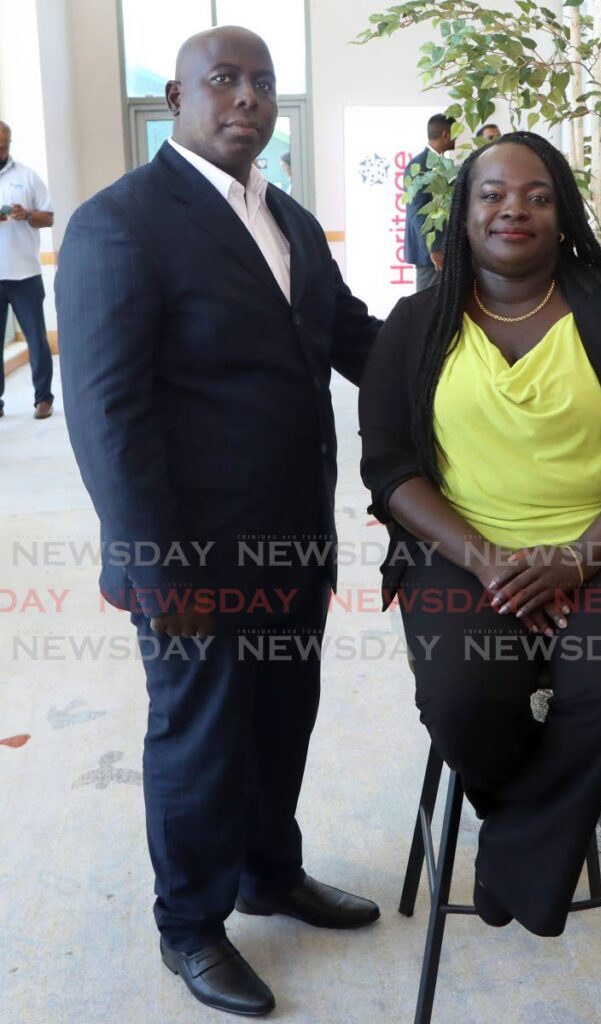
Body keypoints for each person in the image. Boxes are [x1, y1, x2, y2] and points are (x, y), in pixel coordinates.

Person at [56, 27, 382, 1019]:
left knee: (282, 719)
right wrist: (160, 573)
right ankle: (190, 924)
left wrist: (483, 345)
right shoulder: (122, 223)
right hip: (192, 561)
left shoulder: (283, 216)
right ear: (177, 96)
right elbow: (107, 414)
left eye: (261, 83)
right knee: (199, 737)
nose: (245, 98)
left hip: (292, 540)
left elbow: (353, 337)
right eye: (223, 81)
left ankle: (267, 870)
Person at [359, 131, 601, 937]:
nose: (514, 208)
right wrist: (489, 564)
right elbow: (388, 465)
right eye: (493, 194)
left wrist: (577, 563)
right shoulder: (417, 323)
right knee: (461, 696)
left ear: (562, 212)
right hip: (460, 554)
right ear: (463, 213)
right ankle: (540, 842)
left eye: (537, 195)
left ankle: (512, 854)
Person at [0, 121, 55, 420]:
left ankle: (43, 399)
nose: (2, 150)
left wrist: (26, 214)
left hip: (25, 274)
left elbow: (48, 217)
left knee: (36, 339)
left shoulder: (26, 176)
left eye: (5, 144)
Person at [403, 113, 455, 292]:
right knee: (426, 307)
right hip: (430, 256)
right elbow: (416, 210)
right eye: (455, 133)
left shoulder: (445, 165)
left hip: (443, 251)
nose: (457, 138)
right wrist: (434, 248)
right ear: (445, 135)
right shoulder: (418, 166)